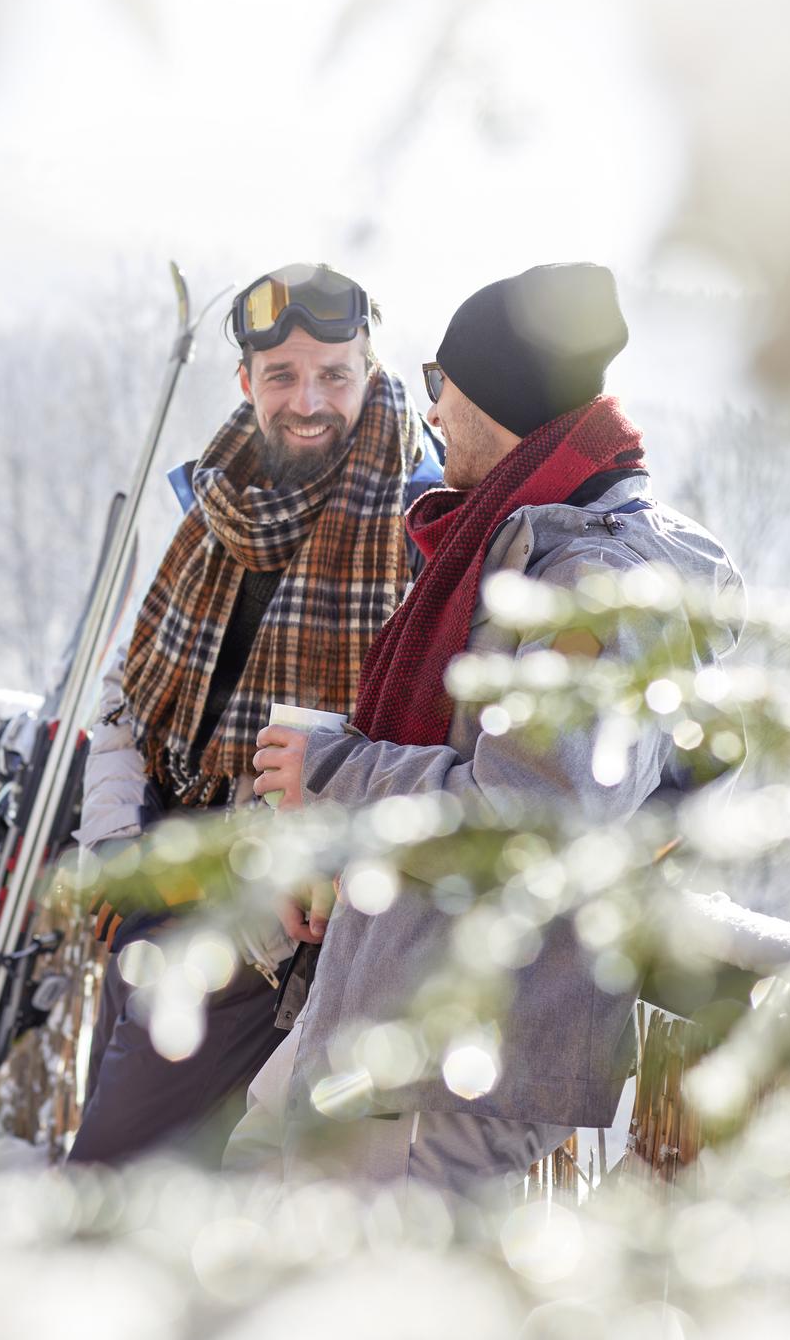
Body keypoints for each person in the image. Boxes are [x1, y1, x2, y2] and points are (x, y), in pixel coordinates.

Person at [248, 263, 743, 1194]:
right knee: (246, 1198)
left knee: (356, 1307)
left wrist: (338, 771)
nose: (430, 409)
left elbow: (529, 819)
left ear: (504, 398)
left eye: (444, 383)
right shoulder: (517, 535)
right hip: (394, 1008)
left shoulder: (592, 580)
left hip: (466, 1056)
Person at [68, 263, 437, 1166]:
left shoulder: (418, 523)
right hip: (150, 892)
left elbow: (400, 748)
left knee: (108, 1183)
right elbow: (126, 694)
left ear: (371, 370)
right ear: (246, 382)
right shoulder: (219, 505)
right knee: (138, 1180)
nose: (307, 401)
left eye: (334, 375)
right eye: (281, 376)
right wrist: (116, 844)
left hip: (264, 931)